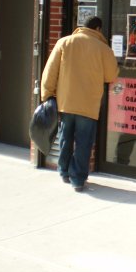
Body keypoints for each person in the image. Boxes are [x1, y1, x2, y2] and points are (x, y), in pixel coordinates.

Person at [41, 17, 119, 192]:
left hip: (66, 102)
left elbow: (50, 71)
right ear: (98, 29)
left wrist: (47, 94)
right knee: (84, 142)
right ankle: (77, 179)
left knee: (65, 138)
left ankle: (64, 171)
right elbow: (111, 76)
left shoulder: (64, 42)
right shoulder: (103, 49)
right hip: (88, 104)